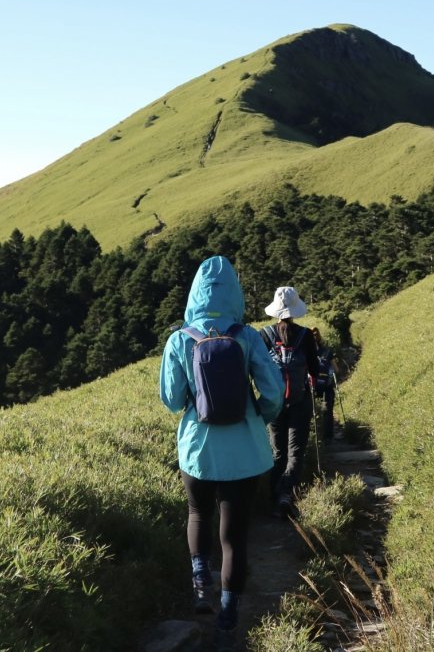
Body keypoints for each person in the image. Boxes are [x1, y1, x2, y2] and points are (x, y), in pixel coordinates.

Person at [159, 256, 284, 630]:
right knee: (235, 535)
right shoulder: (247, 336)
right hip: (245, 452)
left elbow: (171, 400)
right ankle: (229, 613)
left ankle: (201, 588)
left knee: (198, 514)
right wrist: (259, 415)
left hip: (198, 450)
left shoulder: (180, 339)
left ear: (194, 294)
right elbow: (274, 391)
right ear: (235, 293)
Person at [259, 285, 320, 515]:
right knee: (296, 451)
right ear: (295, 310)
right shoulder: (305, 335)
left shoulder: (264, 335)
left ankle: (275, 496)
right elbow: (314, 369)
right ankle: (287, 494)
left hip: (273, 404)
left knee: (277, 452)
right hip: (300, 401)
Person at [310, 327, 339, 440]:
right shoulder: (327, 351)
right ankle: (328, 438)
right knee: (328, 411)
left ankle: (317, 438)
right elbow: (336, 370)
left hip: (311, 386)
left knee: (310, 412)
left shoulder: (304, 353)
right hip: (327, 386)